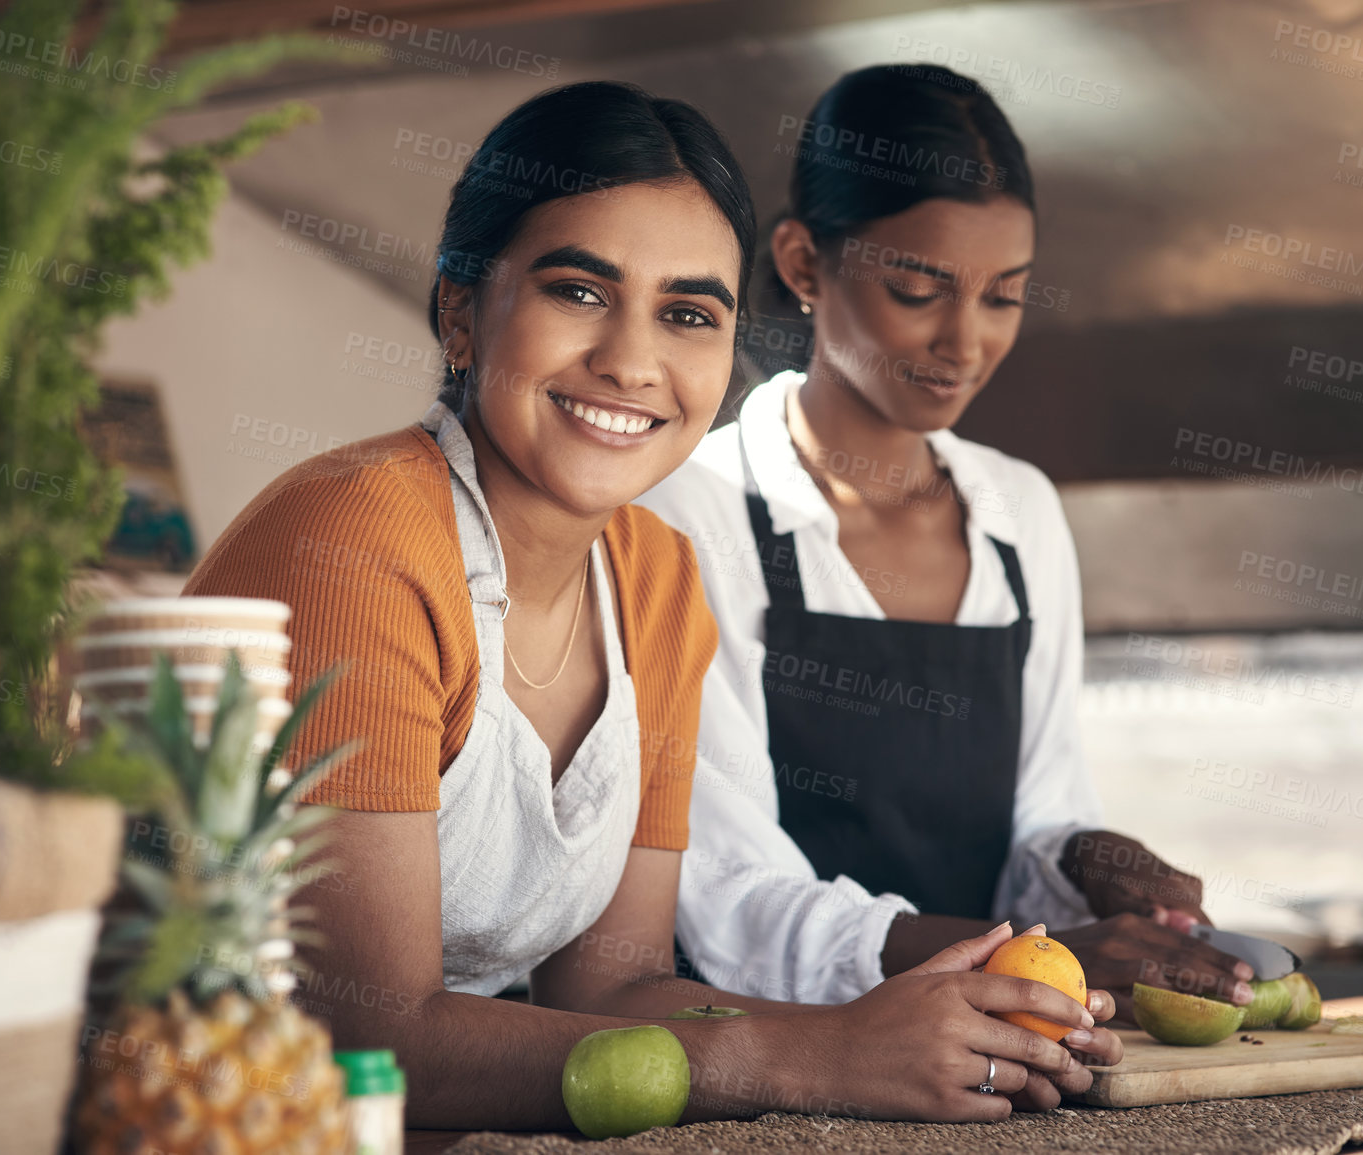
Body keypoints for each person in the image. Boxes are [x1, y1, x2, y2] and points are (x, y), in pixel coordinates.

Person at [182, 80, 1121, 1131]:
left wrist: (894, 1024)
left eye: (686, 313)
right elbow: (372, 1037)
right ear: (458, 311)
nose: (633, 361)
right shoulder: (357, 545)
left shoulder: (657, 580)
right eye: (578, 291)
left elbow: (614, 993)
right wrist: (818, 1055)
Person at [638, 64, 1256, 1013]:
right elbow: (720, 889)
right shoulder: (690, 510)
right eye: (919, 290)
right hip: (768, 1051)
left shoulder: (1020, 514)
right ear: (804, 264)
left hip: (991, 1058)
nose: (964, 343)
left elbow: (1039, 812)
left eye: (1002, 297)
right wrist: (1036, 956)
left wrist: (1084, 858)